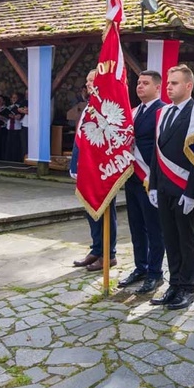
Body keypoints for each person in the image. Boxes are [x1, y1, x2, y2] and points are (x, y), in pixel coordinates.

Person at [148, 64, 194, 311]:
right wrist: (153, 185)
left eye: (175, 83)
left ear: (189, 86)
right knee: (170, 237)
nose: (169, 87)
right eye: (168, 83)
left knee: (186, 239)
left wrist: (192, 191)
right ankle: (174, 283)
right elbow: (156, 152)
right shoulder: (164, 113)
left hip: (184, 187)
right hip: (165, 186)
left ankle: (188, 288)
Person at [117, 70, 166, 295]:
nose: (140, 86)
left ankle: (155, 273)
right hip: (133, 178)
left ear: (157, 87)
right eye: (138, 82)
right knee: (136, 226)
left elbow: (160, 149)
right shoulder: (134, 111)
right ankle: (141, 267)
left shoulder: (162, 111)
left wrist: (154, 178)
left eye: (145, 83)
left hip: (150, 178)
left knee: (154, 228)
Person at [71, 69, 118, 272]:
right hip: (86, 168)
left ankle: (109, 254)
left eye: (93, 80)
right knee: (91, 210)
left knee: (106, 211)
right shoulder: (89, 106)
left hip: (101, 169)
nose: (89, 84)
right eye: (88, 80)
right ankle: (96, 248)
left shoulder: (106, 108)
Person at [3, 92, 24, 162]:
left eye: (15, 98)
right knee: (9, 145)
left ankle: (16, 160)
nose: (14, 99)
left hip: (17, 128)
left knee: (16, 145)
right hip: (9, 128)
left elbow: (19, 117)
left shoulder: (20, 107)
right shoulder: (9, 107)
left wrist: (14, 116)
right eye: (13, 98)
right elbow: (6, 119)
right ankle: (8, 159)